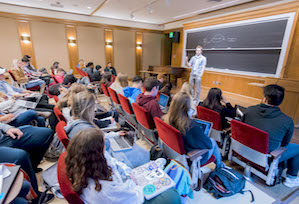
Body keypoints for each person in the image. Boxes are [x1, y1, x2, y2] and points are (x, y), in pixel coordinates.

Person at [65, 128, 180, 204]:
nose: (106, 148)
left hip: (126, 183)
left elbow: (113, 162)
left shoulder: (84, 163)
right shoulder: (104, 190)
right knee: (172, 196)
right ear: (97, 153)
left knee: (157, 166)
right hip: (131, 194)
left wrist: (130, 173)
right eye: (104, 145)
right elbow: (135, 197)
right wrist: (136, 182)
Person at [64, 91, 149, 168]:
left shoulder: (75, 122)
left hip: (105, 152)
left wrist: (115, 134)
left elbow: (99, 136)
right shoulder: (87, 131)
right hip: (108, 157)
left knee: (134, 147)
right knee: (139, 151)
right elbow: (105, 158)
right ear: (88, 110)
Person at [242, 84, 298, 188]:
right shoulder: (287, 121)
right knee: (297, 148)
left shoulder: (249, 110)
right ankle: (291, 179)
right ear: (280, 101)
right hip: (265, 158)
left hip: (243, 151)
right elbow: (285, 144)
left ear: (264, 99)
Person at [164, 92, 224, 168]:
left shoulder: (167, 119)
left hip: (174, 154)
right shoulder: (191, 125)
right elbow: (208, 145)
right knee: (212, 141)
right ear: (186, 107)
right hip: (191, 158)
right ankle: (220, 167)